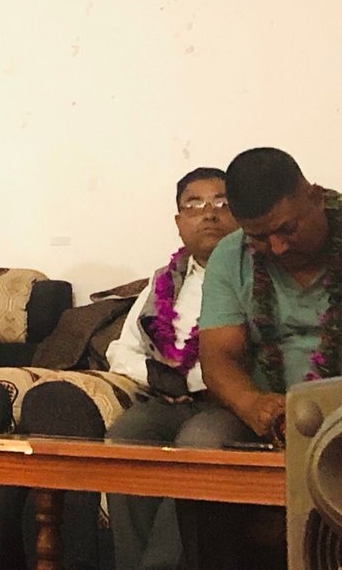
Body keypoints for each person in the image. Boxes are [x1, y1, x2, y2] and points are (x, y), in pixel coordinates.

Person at [177, 147, 336, 570]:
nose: (277, 248)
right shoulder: (231, 256)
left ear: (315, 196)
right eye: (260, 238)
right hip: (271, 415)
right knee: (200, 441)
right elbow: (219, 358)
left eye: (287, 229)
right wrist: (252, 404)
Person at [104, 167, 234, 570]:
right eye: (194, 204)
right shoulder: (164, 280)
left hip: (228, 403)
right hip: (168, 399)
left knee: (198, 442)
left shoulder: (254, 274)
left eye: (221, 202)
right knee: (127, 435)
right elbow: (120, 350)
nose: (209, 213)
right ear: (179, 222)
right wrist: (158, 376)